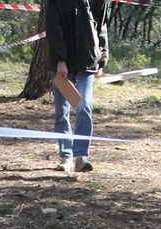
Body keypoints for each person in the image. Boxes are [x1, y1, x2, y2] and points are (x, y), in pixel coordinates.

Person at [45, 0, 108, 173]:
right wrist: (60, 59)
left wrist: (101, 61)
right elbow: (53, 27)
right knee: (62, 111)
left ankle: (81, 156)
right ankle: (66, 157)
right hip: (62, 66)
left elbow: (101, 27)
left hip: (88, 64)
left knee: (84, 107)